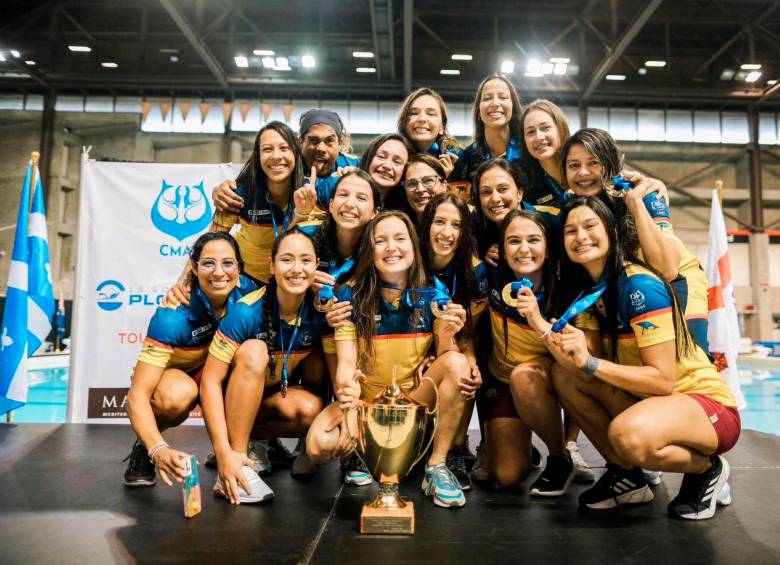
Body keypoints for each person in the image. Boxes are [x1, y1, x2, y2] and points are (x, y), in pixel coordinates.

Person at [548, 196, 740, 520]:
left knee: (627, 435)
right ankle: (627, 477)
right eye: (571, 230)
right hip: (651, 400)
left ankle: (708, 468)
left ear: (610, 230)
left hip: (704, 403)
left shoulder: (638, 286)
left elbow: (663, 380)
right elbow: (584, 365)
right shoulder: (590, 292)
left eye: (590, 226)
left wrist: (590, 363)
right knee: (564, 375)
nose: (580, 236)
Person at [306, 211, 480, 508]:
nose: (391, 248)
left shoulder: (433, 294)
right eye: (380, 241)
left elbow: (445, 357)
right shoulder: (349, 295)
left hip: (412, 402)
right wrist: (350, 406)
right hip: (366, 403)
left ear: (413, 246)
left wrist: (450, 334)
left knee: (457, 364)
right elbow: (346, 364)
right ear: (368, 250)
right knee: (318, 446)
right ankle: (361, 451)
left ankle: (436, 466)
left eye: (400, 239)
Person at [199, 230, 330, 504]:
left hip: (269, 399)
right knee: (255, 350)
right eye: (286, 260)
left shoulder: (320, 310)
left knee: (310, 408)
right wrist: (223, 451)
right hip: (231, 401)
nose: (296, 269)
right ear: (271, 266)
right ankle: (236, 463)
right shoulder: (247, 311)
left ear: (316, 266)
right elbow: (210, 381)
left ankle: (261, 441)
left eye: (305, 260)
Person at [124, 232, 257, 487]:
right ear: (193, 268)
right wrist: (157, 449)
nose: (219, 272)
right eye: (208, 263)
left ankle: (242, 448)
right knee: (175, 395)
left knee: (254, 356)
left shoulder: (251, 294)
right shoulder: (172, 315)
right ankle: (144, 446)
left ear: (240, 268)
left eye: (228, 263)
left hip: (220, 374)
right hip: (182, 376)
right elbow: (136, 397)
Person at [560, 127, 709, 354]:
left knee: (688, 356)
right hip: (630, 285)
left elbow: (668, 269)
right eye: (574, 165)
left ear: (610, 164)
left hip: (678, 279)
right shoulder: (572, 204)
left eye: (593, 163)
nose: (583, 172)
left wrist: (636, 202)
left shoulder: (645, 194)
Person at [478, 209, 578, 494]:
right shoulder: (491, 276)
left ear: (548, 247)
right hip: (503, 380)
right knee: (507, 477)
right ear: (502, 248)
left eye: (533, 240)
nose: (523, 249)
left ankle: (559, 458)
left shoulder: (565, 287)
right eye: (513, 241)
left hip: (549, 379)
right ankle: (523, 443)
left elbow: (574, 360)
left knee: (524, 376)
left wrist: (537, 320)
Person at [418, 192, 489, 489]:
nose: (447, 233)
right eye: (440, 222)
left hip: (453, 348)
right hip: (414, 355)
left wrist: (470, 360)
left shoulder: (476, 271)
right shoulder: (409, 260)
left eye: (456, 225)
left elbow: (468, 331)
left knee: (466, 370)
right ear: (426, 225)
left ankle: (456, 449)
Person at [211, 109, 359, 220]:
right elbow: (253, 176)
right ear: (301, 141)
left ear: (340, 143)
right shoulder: (288, 164)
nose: (321, 148)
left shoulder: (356, 166)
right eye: (313, 140)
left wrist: (362, 179)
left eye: (329, 141)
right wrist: (221, 191)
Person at [454, 75, 523, 186]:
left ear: (513, 107)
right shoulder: (466, 157)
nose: (495, 103)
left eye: (503, 97)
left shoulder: (529, 151)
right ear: (478, 113)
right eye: (487, 98)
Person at [397, 87, 463, 178]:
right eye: (413, 113)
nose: (422, 119)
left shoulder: (458, 160)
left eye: (431, 114)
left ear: (442, 126)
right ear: (404, 123)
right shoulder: (393, 159)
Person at [519, 99, 570, 210]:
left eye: (545, 128)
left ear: (560, 129)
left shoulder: (583, 168)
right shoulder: (525, 188)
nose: (539, 137)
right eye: (530, 132)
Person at [397, 153, 450, 224]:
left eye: (428, 181)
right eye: (412, 184)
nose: (420, 189)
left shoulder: (463, 226)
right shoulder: (400, 229)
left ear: (444, 185)